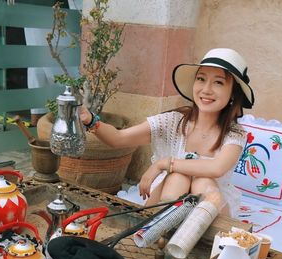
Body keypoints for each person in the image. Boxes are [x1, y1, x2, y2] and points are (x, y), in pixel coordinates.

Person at [77, 48, 254, 217]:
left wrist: (163, 163)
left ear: (232, 94)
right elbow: (119, 138)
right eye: (201, 79)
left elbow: (216, 168)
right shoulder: (173, 121)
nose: (206, 89)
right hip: (167, 195)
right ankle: (162, 235)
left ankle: (189, 240)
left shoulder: (234, 134)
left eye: (218, 82)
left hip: (209, 204)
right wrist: (90, 119)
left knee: (203, 182)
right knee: (177, 177)